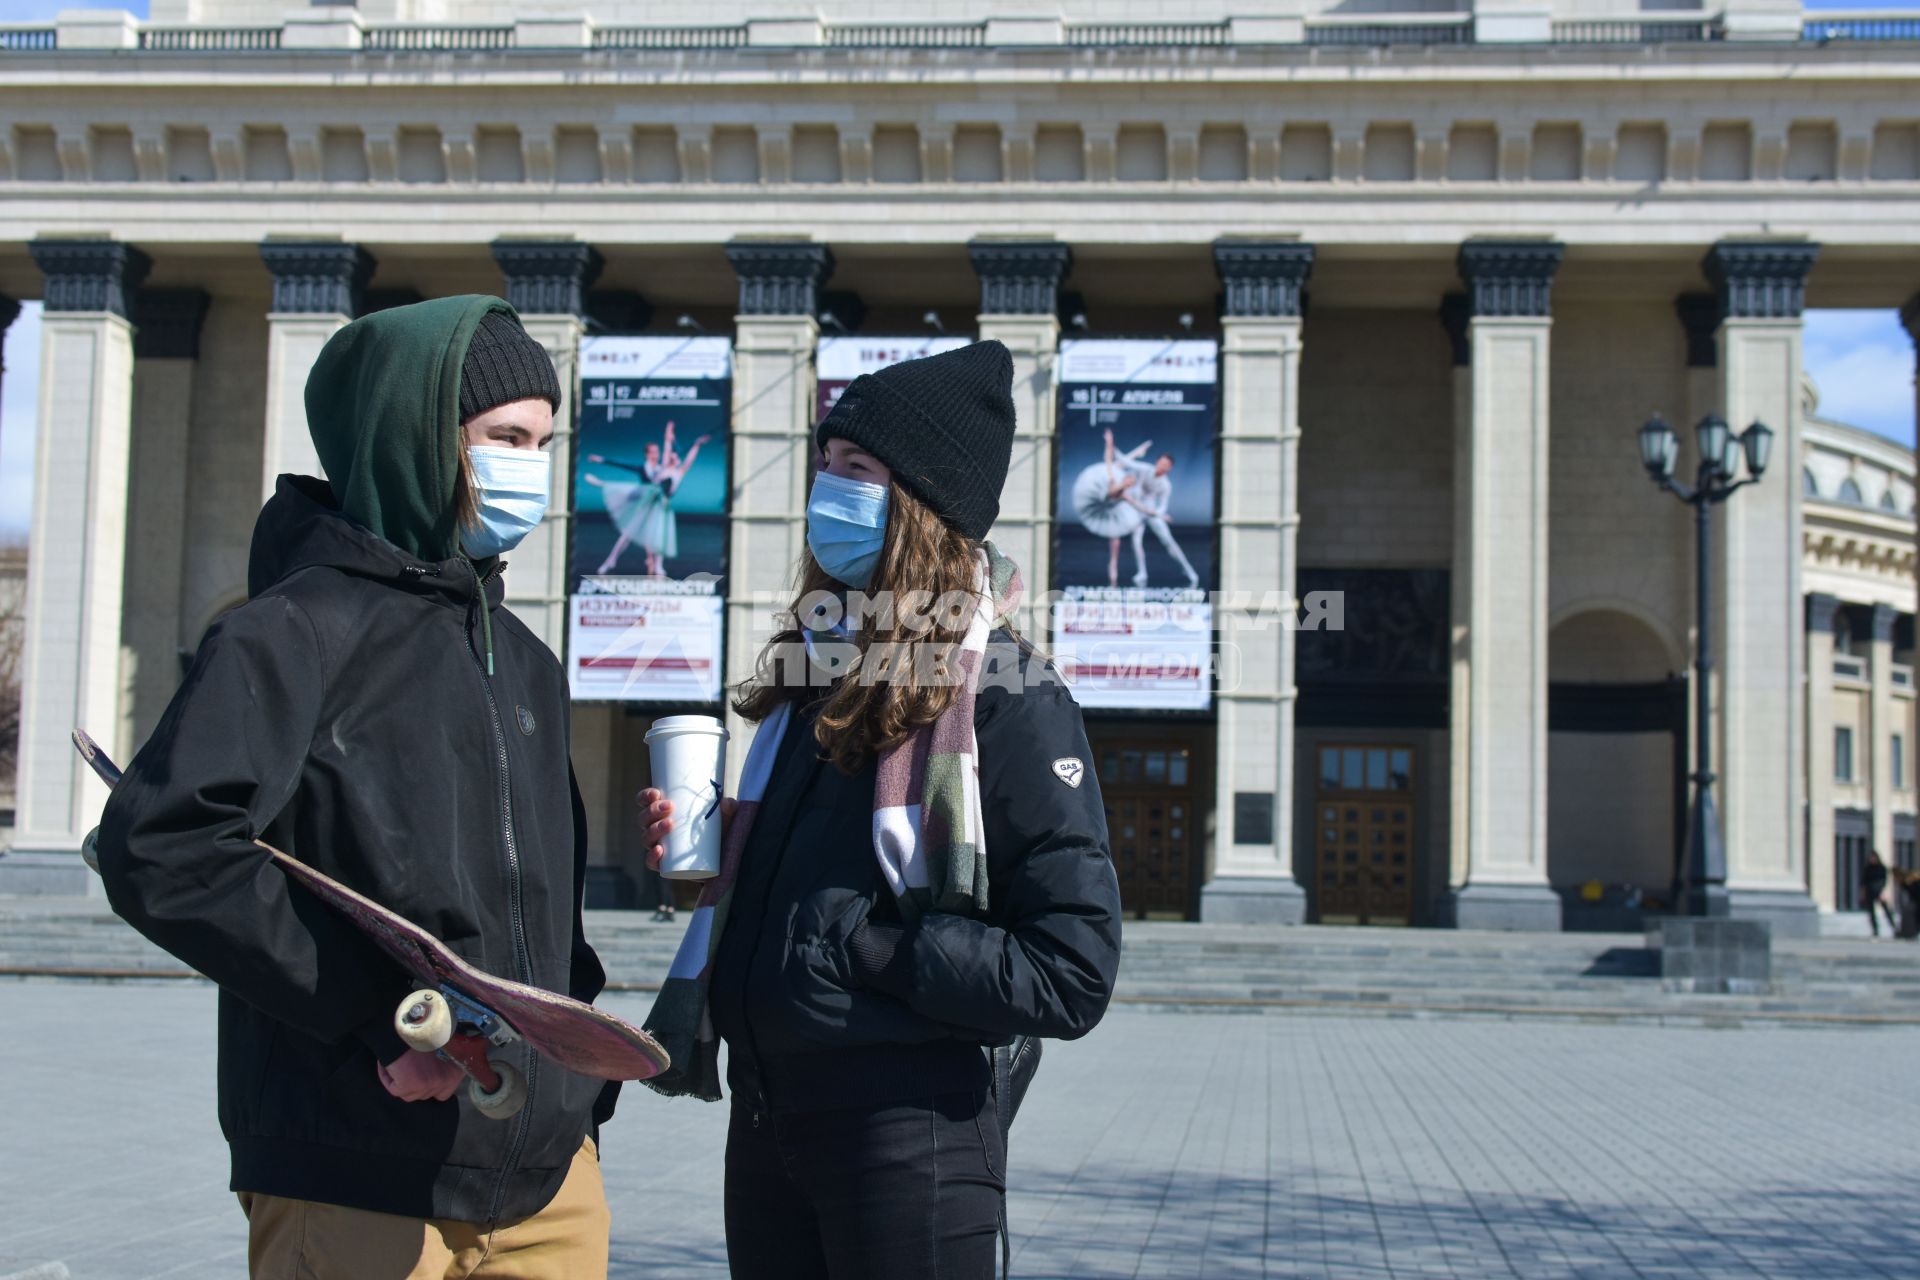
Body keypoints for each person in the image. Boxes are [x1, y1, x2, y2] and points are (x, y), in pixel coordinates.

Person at [94, 297, 618, 1279]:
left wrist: (581, 1092)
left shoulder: (529, 662)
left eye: (545, 442)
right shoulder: (285, 633)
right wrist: (381, 1015)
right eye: (505, 436)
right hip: (351, 1167)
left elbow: (551, 914)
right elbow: (161, 847)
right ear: (415, 438)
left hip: (547, 1181)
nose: (532, 468)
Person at [638, 340, 1123, 1279]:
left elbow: (1071, 969)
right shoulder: (816, 676)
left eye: (854, 470)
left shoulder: (1008, 696)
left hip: (909, 1142)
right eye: (824, 466)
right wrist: (722, 855)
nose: (827, 491)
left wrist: (860, 948)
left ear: (917, 505)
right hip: (770, 1117)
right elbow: (812, 884)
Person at [583, 420, 710, 576]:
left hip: (662, 507)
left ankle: (658, 565)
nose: (673, 458)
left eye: (675, 457)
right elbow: (667, 447)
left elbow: (689, 459)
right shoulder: (663, 468)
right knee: (627, 532)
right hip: (647, 503)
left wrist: (697, 445)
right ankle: (611, 560)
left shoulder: (679, 473)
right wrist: (668, 434)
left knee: (659, 537)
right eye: (671, 456)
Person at [1070, 427, 1148, 587]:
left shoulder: (1123, 492)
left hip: (1111, 512)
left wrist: (1155, 514)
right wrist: (1110, 443)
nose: (1129, 483)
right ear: (1125, 480)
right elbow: (1108, 459)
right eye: (1129, 480)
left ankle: (1113, 567)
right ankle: (1112, 567)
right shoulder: (1114, 481)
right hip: (1097, 506)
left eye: (1131, 483)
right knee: (1114, 465)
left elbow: (1139, 506)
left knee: (1116, 541)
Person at [1117, 448, 1201, 590]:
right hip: (1137, 510)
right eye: (1161, 462)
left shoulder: (1166, 485)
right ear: (1157, 462)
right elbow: (1128, 462)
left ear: (1169, 468)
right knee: (1136, 542)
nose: (1162, 466)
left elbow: (1163, 506)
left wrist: (1157, 514)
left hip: (1152, 512)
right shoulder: (1146, 469)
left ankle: (1188, 569)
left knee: (1169, 541)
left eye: (1166, 464)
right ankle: (1142, 572)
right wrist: (1114, 448)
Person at [1862, 850, 1896, 938]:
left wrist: (1883, 892)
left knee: (1887, 911)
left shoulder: (1881, 868)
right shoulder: (1868, 868)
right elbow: (1864, 882)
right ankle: (1875, 930)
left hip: (1879, 891)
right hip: (1870, 891)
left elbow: (1884, 881)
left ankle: (1894, 927)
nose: (1872, 859)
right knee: (1871, 913)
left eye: (1873, 858)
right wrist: (1863, 893)